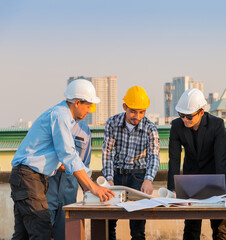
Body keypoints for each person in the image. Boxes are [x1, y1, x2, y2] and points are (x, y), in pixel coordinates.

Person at [8, 79, 115, 239]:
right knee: (42, 232)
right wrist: (92, 187)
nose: (90, 111)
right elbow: (68, 155)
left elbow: (63, 162)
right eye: (88, 106)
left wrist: (91, 181)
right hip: (28, 178)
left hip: (27, 178)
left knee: (23, 235)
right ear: (77, 103)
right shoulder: (61, 116)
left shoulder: (62, 116)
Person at [167, 88, 226, 240]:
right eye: (181, 115)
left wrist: (222, 191)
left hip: (217, 174)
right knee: (191, 226)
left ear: (201, 112)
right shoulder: (177, 126)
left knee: (219, 226)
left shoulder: (217, 124)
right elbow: (174, 159)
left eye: (189, 116)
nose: (185, 119)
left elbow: (221, 159)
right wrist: (172, 188)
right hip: (192, 177)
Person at [102, 86, 160, 240]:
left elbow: (154, 156)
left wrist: (148, 179)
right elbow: (107, 153)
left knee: (138, 228)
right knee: (108, 224)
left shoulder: (150, 129)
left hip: (138, 177)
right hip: (116, 175)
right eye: (133, 111)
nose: (137, 116)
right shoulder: (112, 123)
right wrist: (109, 179)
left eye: (141, 112)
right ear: (124, 107)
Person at [46, 119, 92, 240]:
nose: (86, 112)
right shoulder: (54, 123)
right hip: (47, 189)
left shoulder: (84, 130)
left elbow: (85, 165)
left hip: (69, 193)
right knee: (42, 232)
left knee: (66, 234)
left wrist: (92, 193)